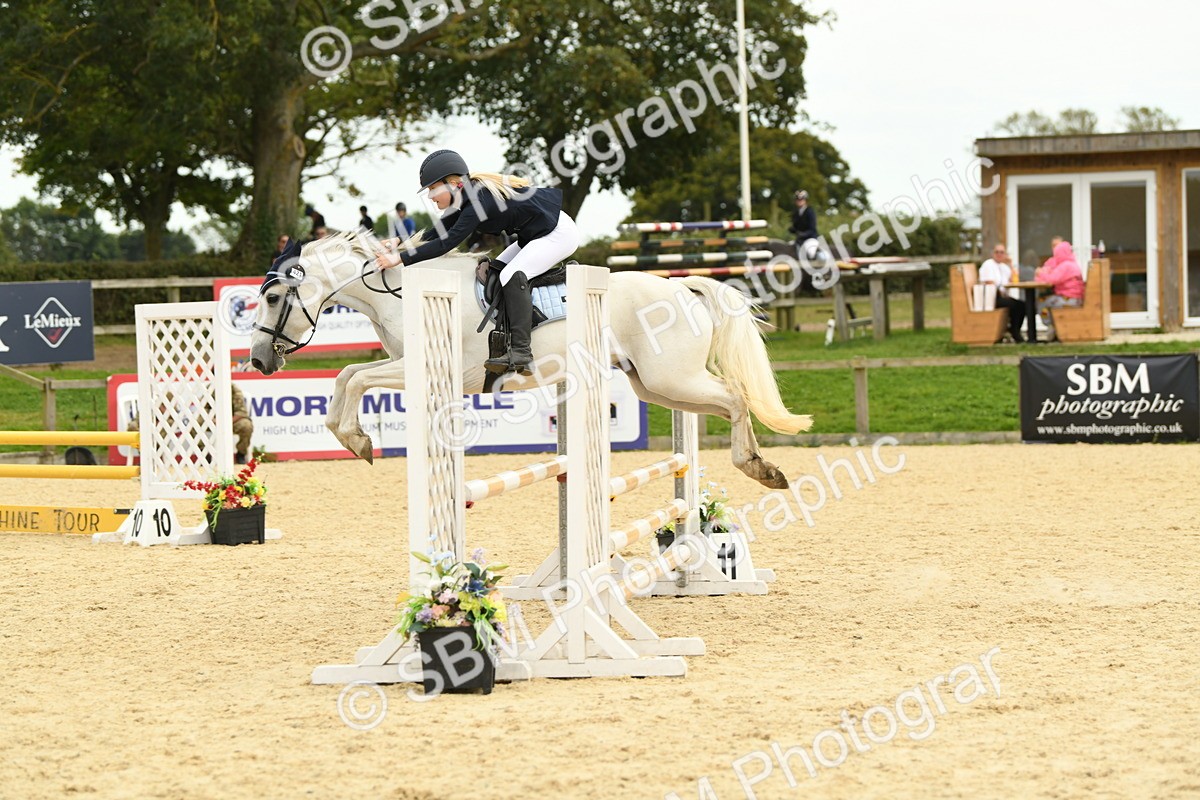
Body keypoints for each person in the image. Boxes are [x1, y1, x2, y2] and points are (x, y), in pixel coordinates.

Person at [374, 149, 578, 376]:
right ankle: (505, 337)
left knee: (510, 275)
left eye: (433, 188)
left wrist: (399, 259)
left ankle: (522, 352)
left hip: (557, 233)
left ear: (452, 183)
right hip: (535, 234)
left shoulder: (479, 200)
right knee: (495, 271)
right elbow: (439, 231)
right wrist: (400, 242)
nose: (430, 196)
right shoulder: (467, 196)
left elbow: (447, 243)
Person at [1035, 240, 1084, 341]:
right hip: (1075, 298)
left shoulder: (1065, 265)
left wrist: (1040, 273)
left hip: (1069, 299)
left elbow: (1052, 279)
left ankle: (1050, 326)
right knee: (1048, 301)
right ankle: (1055, 326)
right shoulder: (1072, 264)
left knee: (1042, 302)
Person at [978, 243, 1026, 342]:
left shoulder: (1004, 267)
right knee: (1015, 305)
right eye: (997, 252)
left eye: (1002, 252)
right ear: (993, 253)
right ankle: (1014, 332)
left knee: (1022, 305)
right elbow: (989, 283)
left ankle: (1015, 330)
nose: (999, 254)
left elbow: (1014, 280)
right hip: (991, 297)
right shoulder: (988, 264)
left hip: (1002, 296)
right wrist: (1001, 292)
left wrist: (1011, 263)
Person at [789, 190, 818, 258]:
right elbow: (796, 227)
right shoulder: (796, 213)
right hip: (799, 240)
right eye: (797, 199)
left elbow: (812, 229)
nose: (799, 201)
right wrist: (792, 230)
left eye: (801, 199)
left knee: (811, 253)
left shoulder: (810, 212)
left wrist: (803, 234)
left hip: (810, 239)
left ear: (805, 200)